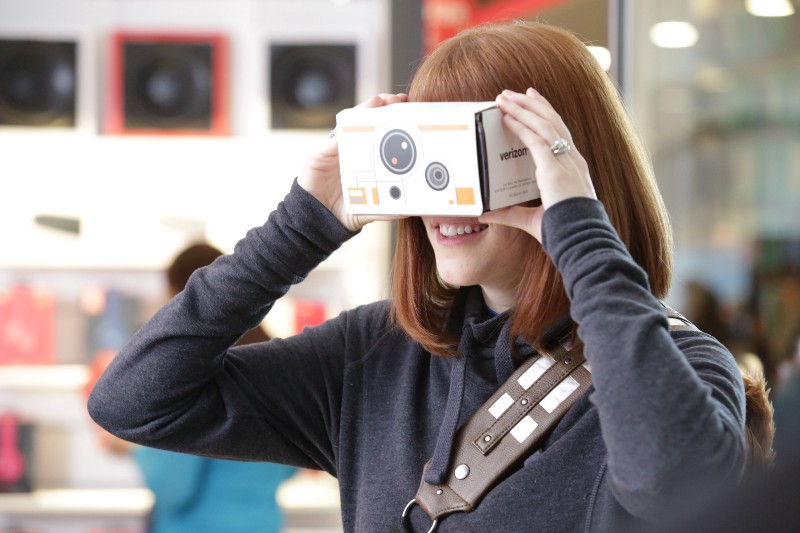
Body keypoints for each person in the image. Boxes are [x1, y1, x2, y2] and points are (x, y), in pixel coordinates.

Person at [88, 22, 748, 532]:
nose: (441, 196)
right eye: (421, 153)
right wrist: (301, 224)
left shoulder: (680, 366)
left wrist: (575, 224)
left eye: (470, 155)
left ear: (561, 162)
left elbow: (676, 487)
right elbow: (135, 400)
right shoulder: (377, 354)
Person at [95, 243, 296, 533]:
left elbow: (174, 487)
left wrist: (132, 449)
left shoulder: (192, 372)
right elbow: (290, 466)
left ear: (187, 297)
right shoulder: (279, 359)